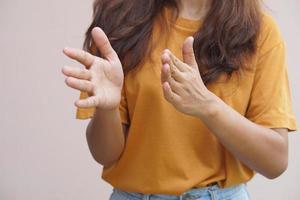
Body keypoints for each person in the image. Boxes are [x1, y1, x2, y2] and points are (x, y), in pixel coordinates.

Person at [62, 0, 298, 199]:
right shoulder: (120, 21)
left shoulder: (260, 31)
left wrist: (208, 107)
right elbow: (105, 155)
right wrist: (108, 109)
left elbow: (274, 161)